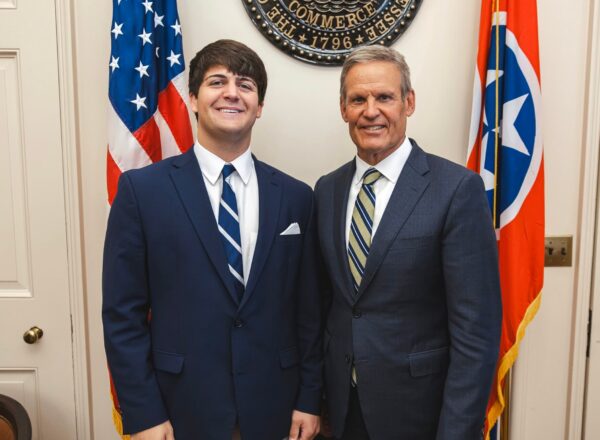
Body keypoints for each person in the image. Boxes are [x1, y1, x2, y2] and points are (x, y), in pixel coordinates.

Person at [103, 39, 322, 440]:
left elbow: (308, 313)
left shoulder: (296, 197)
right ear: (192, 98)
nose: (231, 93)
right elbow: (123, 315)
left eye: (245, 84)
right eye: (217, 82)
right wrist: (144, 412)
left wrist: (309, 398)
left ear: (260, 106)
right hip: (178, 408)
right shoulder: (142, 191)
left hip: (276, 408)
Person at [314, 45, 502, 440]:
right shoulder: (327, 190)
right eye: (357, 99)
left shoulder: (455, 189)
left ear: (408, 102)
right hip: (341, 412)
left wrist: (456, 431)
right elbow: (326, 307)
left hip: (420, 414)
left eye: (384, 97)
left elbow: (477, 333)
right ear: (343, 109)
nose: (371, 111)